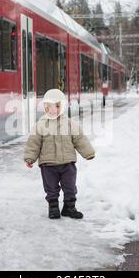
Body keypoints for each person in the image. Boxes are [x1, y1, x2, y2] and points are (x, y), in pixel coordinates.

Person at [24, 89, 95, 220]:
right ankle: (53, 207)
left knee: (70, 186)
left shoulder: (70, 124)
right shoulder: (40, 125)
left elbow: (80, 139)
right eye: (49, 107)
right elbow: (33, 143)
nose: (53, 110)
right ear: (45, 107)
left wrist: (88, 153)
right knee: (51, 188)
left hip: (67, 163)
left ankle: (69, 207)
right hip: (48, 165)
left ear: (62, 107)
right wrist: (30, 158)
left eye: (57, 106)